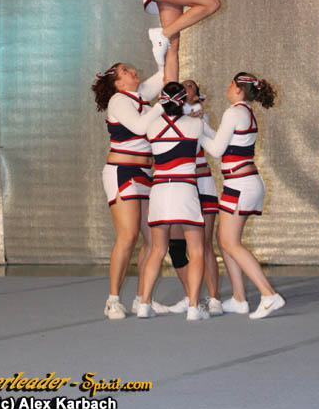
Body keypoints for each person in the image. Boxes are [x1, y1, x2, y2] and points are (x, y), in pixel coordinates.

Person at [201, 73, 285, 319]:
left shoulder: (234, 112)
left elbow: (216, 149)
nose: (227, 86)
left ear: (239, 90)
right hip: (241, 183)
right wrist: (201, 125)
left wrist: (194, 129)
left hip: (240, 184)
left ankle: (269, 294)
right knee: (224, 239)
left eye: (231, 83)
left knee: (230, 242)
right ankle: (239, 299)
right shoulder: (244, 111)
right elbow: (223, 140)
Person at [92, 61, 166, 319]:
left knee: (154, 239)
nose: (133, 71)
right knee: (128, 235)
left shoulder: (140, 95)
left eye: (131, 68)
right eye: (125, 71)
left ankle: (141, 298)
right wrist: (162, 106)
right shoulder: (119, 101)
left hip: (145, 172)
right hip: (122, 172)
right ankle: (112, 300)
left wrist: (165, 50)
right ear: (118, 83)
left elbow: (166, 76)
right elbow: (139, 127)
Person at [137, 82, 209, 321]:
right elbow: (207, 150)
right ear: (183, 100)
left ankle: (144, 303)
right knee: (196, 250)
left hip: (159, 190)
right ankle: (193, 307)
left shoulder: (151, 125)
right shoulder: (196, 124)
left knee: (157, 250)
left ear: (161, 99)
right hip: (185, 189)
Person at [166, 79, 223, 315]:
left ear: (197, 94)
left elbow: (212, 143)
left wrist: (196, 115)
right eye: (182, 85)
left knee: (204, 244)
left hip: (201, 183)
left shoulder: (201, 117)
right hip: (179, 186)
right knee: (176, 246)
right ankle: (192, 297)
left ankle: (214, 299)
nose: (185, 87)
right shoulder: (171, 118)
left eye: (190, 86)